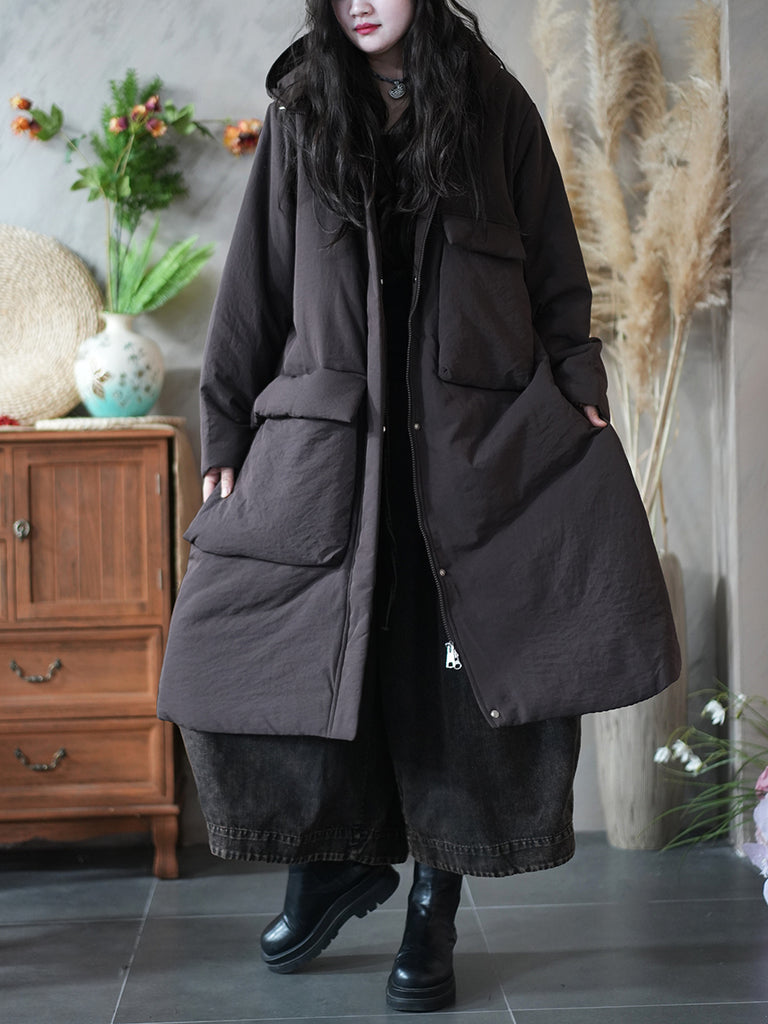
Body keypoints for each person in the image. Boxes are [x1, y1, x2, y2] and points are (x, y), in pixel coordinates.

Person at [158, 0, 681, 1013]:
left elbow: (554, 265)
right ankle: (332, 861)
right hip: (332, 456)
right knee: (296, 658)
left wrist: (579, 386)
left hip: (475, 452)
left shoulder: (496, 108)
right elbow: (255, 284)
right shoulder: (303, 110)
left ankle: (434, 904)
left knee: (453, 682)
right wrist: (224, 429)